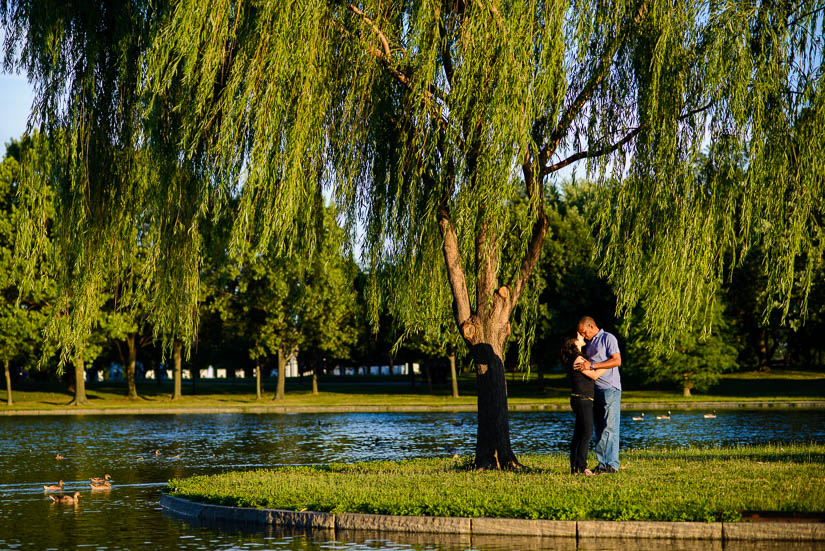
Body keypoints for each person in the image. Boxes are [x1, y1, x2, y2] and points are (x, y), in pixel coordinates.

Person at [575, 316, 622, 474]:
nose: (583, 335)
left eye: (584, 332)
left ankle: (612, 465)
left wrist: (593, 365)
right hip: (595, 390)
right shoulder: (589, 344)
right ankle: (602, 464)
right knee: (599, 428)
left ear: (591, 326)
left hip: (610, 388)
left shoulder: (608, 338)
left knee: (610, 427)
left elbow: (616, 361)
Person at [560, 330, 602, 475]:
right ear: (574, 342)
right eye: (579, 335)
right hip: (582, 399)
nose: (582, 335)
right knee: (587, 433)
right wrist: (611, 364)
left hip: (580, 399)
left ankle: (575, 467)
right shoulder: (578, 359)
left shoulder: (577, 357)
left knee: (579, 434)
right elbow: (595, 374)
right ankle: (582, 467)